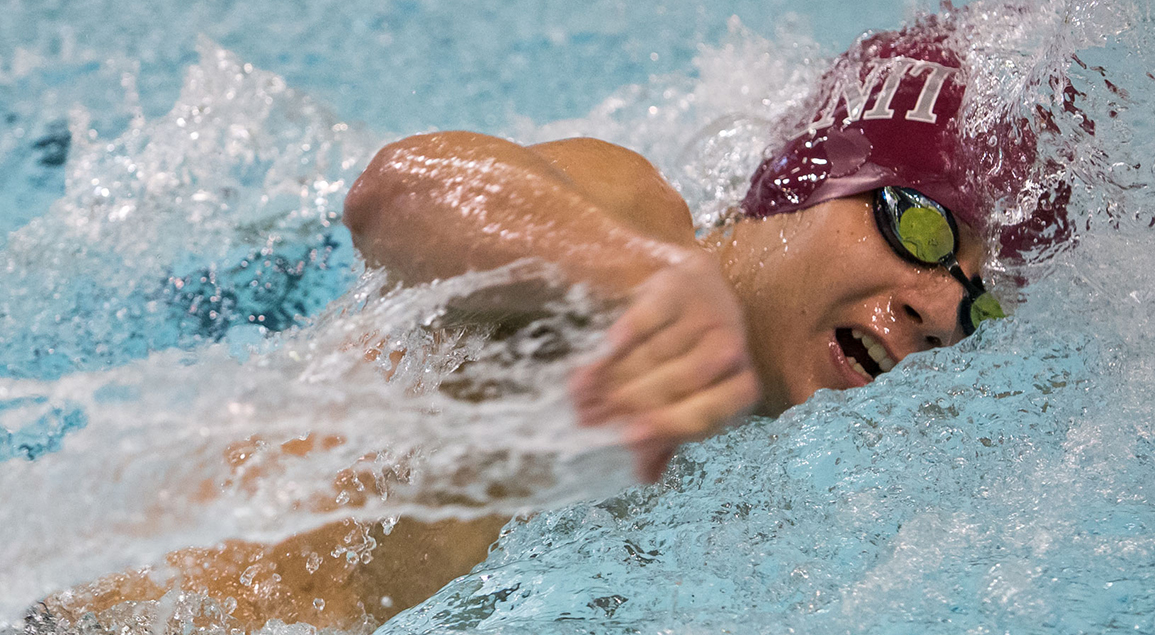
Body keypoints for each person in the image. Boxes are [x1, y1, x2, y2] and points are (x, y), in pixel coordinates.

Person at [38, 17, 1069, 633]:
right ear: (800, 186)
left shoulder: (768, 475)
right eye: (921, 225)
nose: (941, 308)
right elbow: (399, 193)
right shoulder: (629, 226)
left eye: (980, 300)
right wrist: (637, 277)